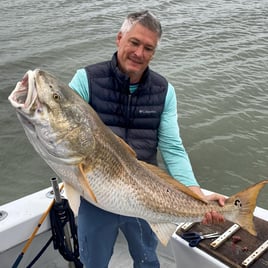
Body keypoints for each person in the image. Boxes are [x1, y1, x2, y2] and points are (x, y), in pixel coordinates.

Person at [69, 10, 226, 268]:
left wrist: (196, 195)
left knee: (147, 261)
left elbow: (172, 148)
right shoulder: (85, 80)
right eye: (134, 42)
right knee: (93, 263)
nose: (139, 53)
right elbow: (61, 127)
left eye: (148, 48)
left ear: (154, 52)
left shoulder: (164, 91)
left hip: (146, 195)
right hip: (95, 194)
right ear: (119, 38)